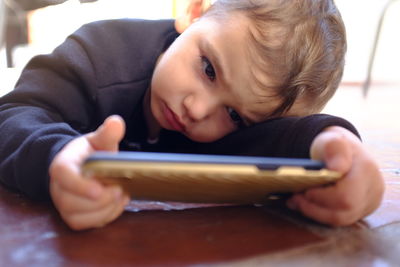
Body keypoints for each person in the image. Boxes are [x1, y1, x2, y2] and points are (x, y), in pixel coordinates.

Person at [0, 0, 384, 230]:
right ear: (195, 10)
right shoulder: (99, 53)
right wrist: (55, 158)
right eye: (209, 69)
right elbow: (16, 114)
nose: (197, 109)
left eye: (234, 115)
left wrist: (340, 147)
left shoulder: (241, 117)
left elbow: (285, 138)